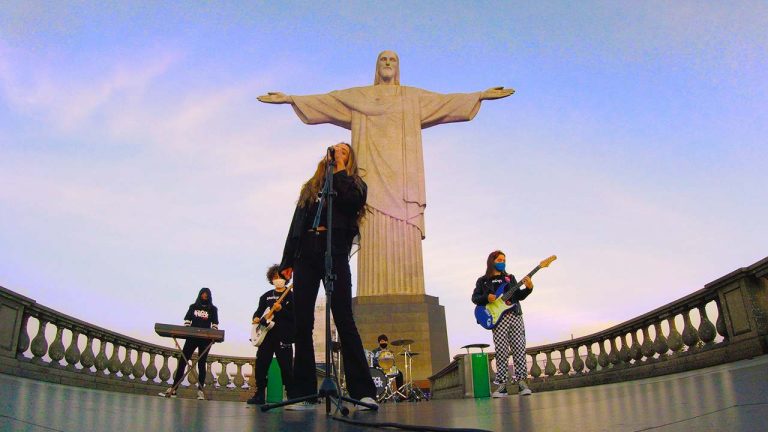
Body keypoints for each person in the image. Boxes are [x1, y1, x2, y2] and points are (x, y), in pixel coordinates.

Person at [258, 50, 514, 298]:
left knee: (403, 229)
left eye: (392, 60)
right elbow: (327, 100)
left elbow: (445, 102)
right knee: (368, 222)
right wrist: (291, 98)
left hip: (404, 181)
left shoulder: (412, 97)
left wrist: (479, 96)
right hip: (369, 178)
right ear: (377, 67)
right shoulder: (360, 97)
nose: (388, 63)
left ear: (398, 67)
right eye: (383, 59)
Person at [278, 142, 378, 410]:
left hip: (334, 251)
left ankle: (362, 393)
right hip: (306, 252)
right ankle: (304, 393)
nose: (338, 154)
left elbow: (353, 201)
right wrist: (287, 261)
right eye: (335, 151)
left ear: (350, 160)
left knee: (344, 319)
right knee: (302, 323)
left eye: (345, 152)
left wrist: (341, 171)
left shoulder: (353, 183)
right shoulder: (311, 188)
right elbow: (296, 224)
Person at [471, 251, 534, 397]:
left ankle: (522, 382)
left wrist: (529, 288)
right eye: (499, 259)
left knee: (519, 347)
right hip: (498, 319)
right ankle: (502, 385)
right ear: (492, 261)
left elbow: (518, 296)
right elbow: (475, 298)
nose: (502, 262)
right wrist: (488, 297)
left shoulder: (509, 278)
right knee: (501, 351)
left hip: (515, 315)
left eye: (504, 260)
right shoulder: (482, 281)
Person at [247, 265, 295, 405]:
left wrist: (282, 310)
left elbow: (295, 316)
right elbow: (259, 312)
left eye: (280, 277)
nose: (278, 280)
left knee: (286, 366)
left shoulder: (291, 295)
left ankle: (290, 394)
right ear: (271, 279)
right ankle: (260, 394)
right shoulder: (265, 296)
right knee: (261, 364)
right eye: (275, 277)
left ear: (286, 278)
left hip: (283, 335)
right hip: (266, 335)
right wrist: (255, 318)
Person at [160, 287, 219, 400]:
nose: (204, 296)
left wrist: (213, 337)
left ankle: (200, 391)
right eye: (203, 294)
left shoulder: (213, 309)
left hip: (205, 339)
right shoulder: (193, 307)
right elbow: (187, 321)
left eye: (206, 294)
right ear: (200, 295)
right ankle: (174, 389)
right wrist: (185, 332)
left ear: (209, 296)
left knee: (202, 364)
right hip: (191, 338)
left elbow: (215, 324)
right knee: (183, 361)